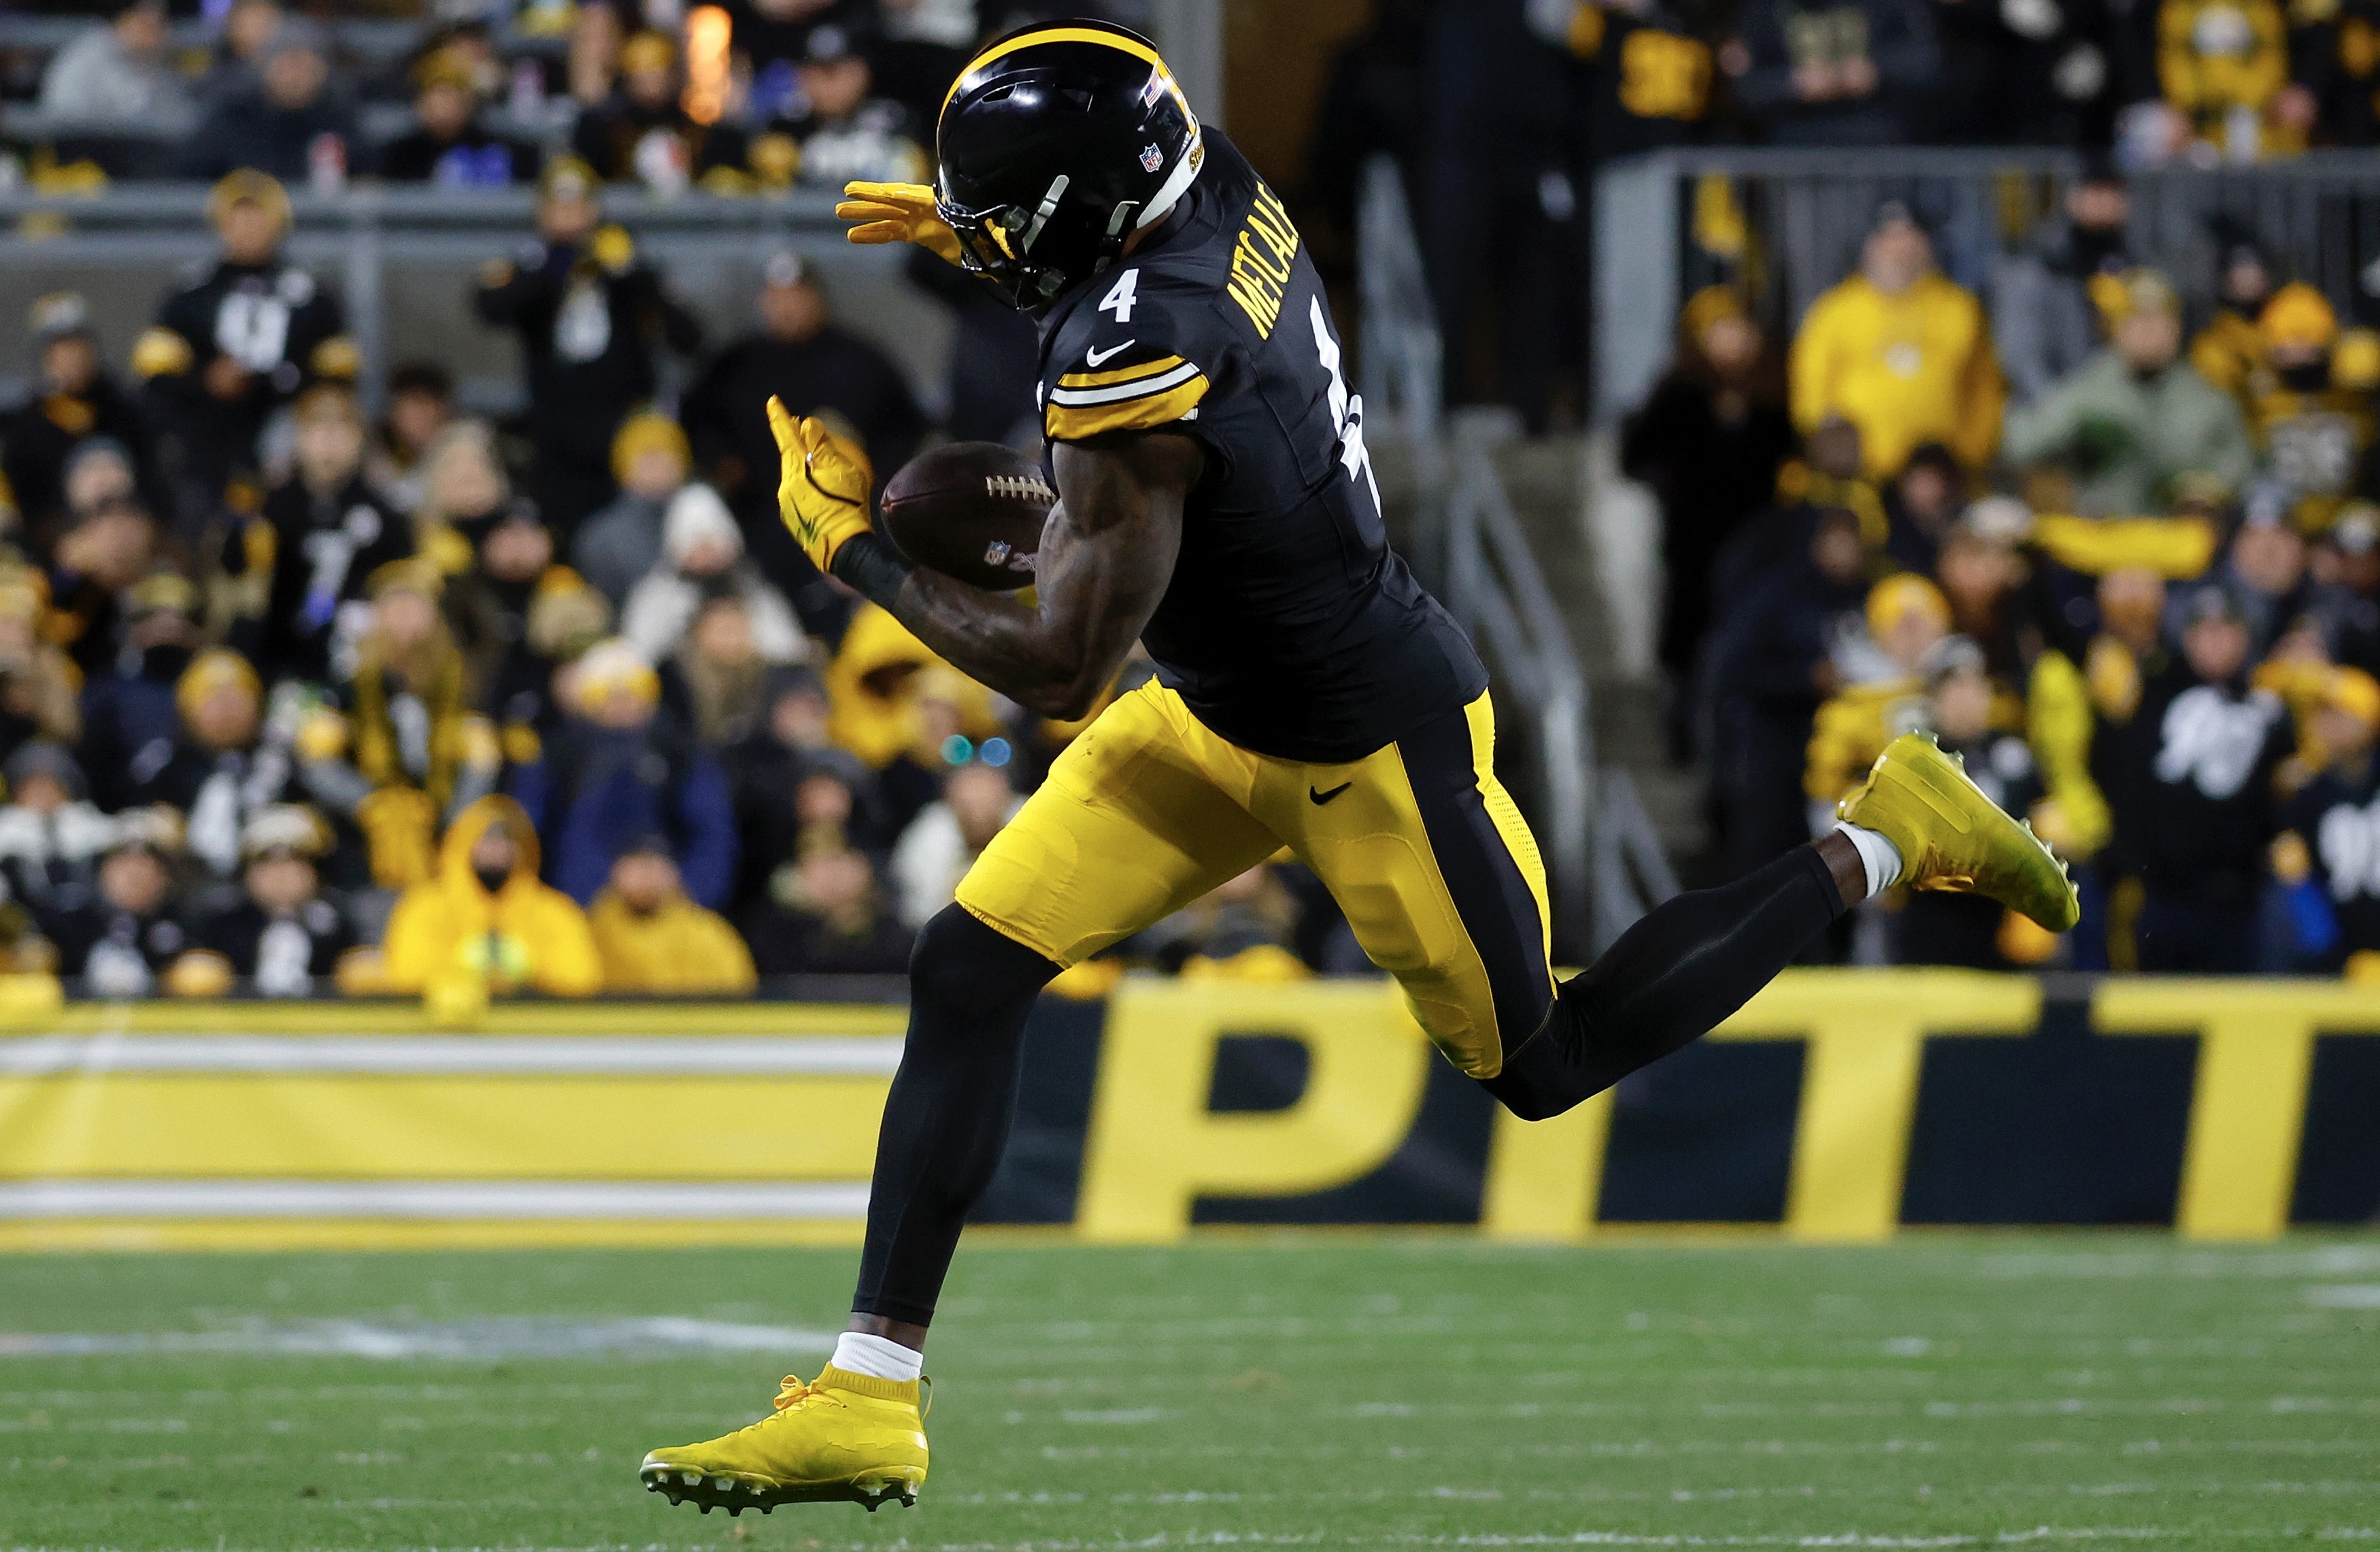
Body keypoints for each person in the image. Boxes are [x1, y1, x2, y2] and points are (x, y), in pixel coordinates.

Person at [641, 20, 2077, 1515]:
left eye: (1010, 218)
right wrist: (973, 229)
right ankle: (869, 1395)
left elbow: (1061, 670)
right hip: (1216, 710)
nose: (993, 241)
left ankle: (1886, 836)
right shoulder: (1207, 183)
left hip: (1365, 741)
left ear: (1082, 208)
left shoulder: (1146, 353)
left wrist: (850, 549)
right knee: (966, 966)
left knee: (1547, 1061)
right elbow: (1118, 248)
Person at [475, 158, 703, 535]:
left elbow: (687, 334)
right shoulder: (531, 264)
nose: (571, 217)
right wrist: (558, 263)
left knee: (627, 526)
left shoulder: (625, 262)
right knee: (557, 524)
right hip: (554, 424)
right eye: (560, 206)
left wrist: (629, 272)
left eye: (579, 205)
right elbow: (492, 308)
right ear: (542, 212)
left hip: (622, 422)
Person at [1619, 286, 1794, 755]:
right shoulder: (1680, 394)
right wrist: (1669, 487)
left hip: (1756, 547)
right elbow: (1636, 454)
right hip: (1692, 545)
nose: (1731, 342)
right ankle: (1683, 735)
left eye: (1739, 330)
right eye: (1719, 331)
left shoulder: (1771, 397)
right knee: (1688, 644)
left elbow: (1788, 462)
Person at [680, 252, 927, 579]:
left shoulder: (860, 359)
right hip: (762, 514)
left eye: (797, 296)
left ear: (818, 298)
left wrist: (882, 480)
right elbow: (697, 419)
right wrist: (721, 461)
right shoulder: (737, 364)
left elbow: (904, 425)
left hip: (854, 514)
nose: (787, 307)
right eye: (777, 297)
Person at [135, 171, 355, 525]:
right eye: (239, 217)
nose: (249, 227)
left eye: (258, 216)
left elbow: (339, 370)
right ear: (221, 223)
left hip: (288, 429)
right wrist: (206, 380)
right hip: (208, 434)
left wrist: (288, 386)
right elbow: (156, 370)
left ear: (278, 222)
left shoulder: (313, 293)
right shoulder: (191, 292)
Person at [2113, 586, 2293, 971]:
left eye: (2225, 631)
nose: (2214, 643)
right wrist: (2134, 860)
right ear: (2187, 638)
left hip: (2240, 896)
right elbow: (2128, 782)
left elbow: (2281, 790)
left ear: (2244, 638)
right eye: (2204, 631)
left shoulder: (2267, 706)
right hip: (2165, 893)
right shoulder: (2152, 694)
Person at [2000, 268, 2253, 517]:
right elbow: (2018, 445)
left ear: (2177, 329)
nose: (2148, 332)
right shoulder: (2088, 390)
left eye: (2160, 321)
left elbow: (2241, 467)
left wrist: (2209, 489)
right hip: (2103, 531)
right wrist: (2075, 426)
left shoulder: (2205, 397)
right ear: (2115, 329)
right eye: (2136, 320)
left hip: (2177, 534)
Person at [517, 638, 738, 911]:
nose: (622, 703)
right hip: (578, 909)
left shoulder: (678, 753)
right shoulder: (559, 755)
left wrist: (688, 888)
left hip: (674, 907)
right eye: (606, 694)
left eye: (634, 690)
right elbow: (530, 832)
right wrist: (595, 891)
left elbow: (713, 832)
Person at [1790, 202, 2004, 480]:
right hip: (1859, 476)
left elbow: (1985, 388)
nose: (1897, 248)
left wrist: (1972, 452)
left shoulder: (1959, 309)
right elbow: (1810, 391)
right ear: (1870, 245)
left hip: (1939, 476)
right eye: (1888, 237)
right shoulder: (1835, 311)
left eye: (1907, 236)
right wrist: (1831, 445)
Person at [250, 385, 414, 687]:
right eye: (317, 429)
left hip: (358, 657)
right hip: (278, 653)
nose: (328, 442)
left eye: (341, 430)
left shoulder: (386, 514)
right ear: (298, 437)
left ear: (360, 440)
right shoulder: (270, 508)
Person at [381, 793, 601, 997]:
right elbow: (406, 974)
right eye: (485, 841)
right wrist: (460, 965)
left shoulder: (553, 911)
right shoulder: (426, 907)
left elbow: (582, 977)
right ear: (464, 844)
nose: (496, 851)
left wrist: (530, 965)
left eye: (507, 842)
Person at [1, 293, 156, 540]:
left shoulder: (123, 413)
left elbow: (152, 484)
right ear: (46, 358)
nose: (72, 357)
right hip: (54, 539)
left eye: (79, 346)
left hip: (125, 531)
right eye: (61, 348)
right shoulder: (27, 425)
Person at [618, 482, 807, 670]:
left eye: (714, 544)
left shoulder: (752, 589)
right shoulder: (658, 597)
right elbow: (639, 654)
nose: (707, 556)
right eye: (696, 545)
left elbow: (787, 649)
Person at [2274, 666, 2380, 974]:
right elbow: (2301, 883)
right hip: (2340, 959)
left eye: (2339, 714)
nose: (2328, 724)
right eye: (2322, 714)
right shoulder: (2306, 795)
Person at [190, 803, 355, 995]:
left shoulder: (337, 924)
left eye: (294, 861)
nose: (280, 874)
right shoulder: (223, 926)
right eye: (265, 862)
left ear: (315, 873)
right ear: (247, 874)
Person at [1731, 0, 1942, 144]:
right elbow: (1744, 89)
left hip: (1878, 145)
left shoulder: (1887, 5)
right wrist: (1793, 83)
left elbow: (1926, 61)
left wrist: (1874, 70)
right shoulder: (1765, 8)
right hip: (1795, 151)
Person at [570, 29, 750, 193]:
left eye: (657, 70)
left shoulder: (698, 127)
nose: (651, 81)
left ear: (673, 73)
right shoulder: (605, 127)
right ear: (627, 76)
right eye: (642, 72)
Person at [179, 17, 355, 183]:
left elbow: (363, 172)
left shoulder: (338, 118)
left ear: (322, 71)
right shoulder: (235, 117)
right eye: (286, 65)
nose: (295, 76)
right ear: (265, 67)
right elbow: (189, 175)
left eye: (305, 66)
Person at [762, 22, 931, 188]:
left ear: (863, 73)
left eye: (838, 72)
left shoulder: (896, 121)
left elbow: (915, 180)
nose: (829, 85)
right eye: (817, 72)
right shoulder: (785, 127)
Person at [588, 838, 758, 993]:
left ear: (673, 873)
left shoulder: (707, 935)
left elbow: (739, 993)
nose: (646, 879)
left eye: (653, 867)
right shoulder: (593, 932)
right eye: (635, 867)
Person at [573, 413, 694, 608]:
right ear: (625, 467)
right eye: (649, 457)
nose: (660, 466)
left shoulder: (705, 522)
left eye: (669, 455)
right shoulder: (600, 537)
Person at [374, 46, 539, 187]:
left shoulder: (504, 150)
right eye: (435, 94)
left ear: (470, 101)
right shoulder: (400, 155)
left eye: (451, 95)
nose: (443, 106)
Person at [886, 757, 1019, 929]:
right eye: (970, 803)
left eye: (987, 800)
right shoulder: (929, 834)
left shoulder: (1029, 824)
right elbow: (918, 912)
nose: (978, 812)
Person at [37, 0, 197, 136]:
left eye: (161, 25)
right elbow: (65, 118)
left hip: (138, 151)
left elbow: (179, 120)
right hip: (80, 149)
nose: (158, 35)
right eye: (147, 24)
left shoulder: (158, 67)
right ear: (124, 20)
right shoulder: (88, 56)